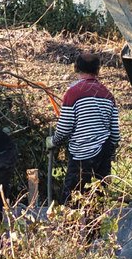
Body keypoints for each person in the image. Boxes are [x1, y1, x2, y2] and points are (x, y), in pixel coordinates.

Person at [48, 52, 120, 203]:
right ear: (98, 71)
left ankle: (72, 227)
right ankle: (94, 227)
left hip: (82, 156)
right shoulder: (108, 95)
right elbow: (115, 134)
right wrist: (111, 152)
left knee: (72, 201)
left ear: (76, 69)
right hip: (103, 155)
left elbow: (65, 128)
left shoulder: (73, 93)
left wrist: (53, 141)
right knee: (97, 201)